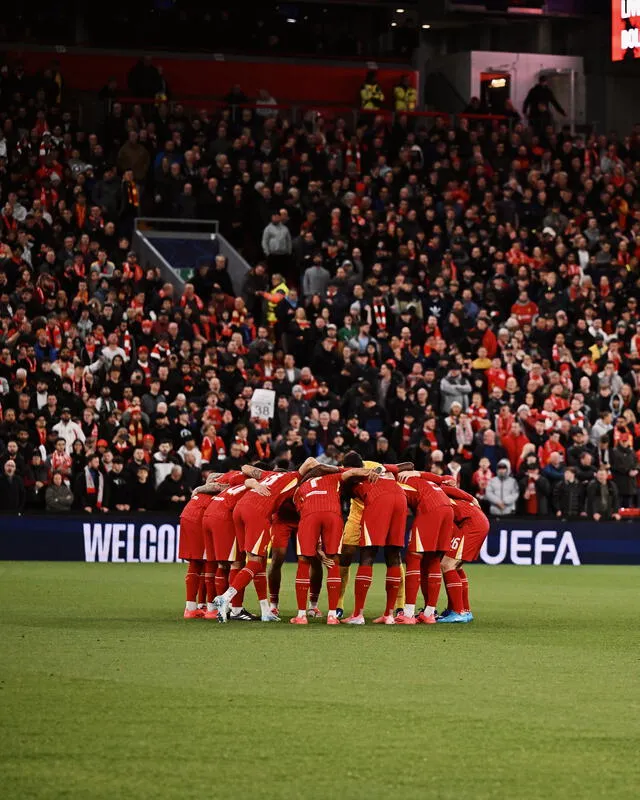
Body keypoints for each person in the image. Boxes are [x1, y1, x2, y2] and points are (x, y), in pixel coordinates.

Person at [214, 459, 318, 622]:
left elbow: (246, 467)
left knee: (252, 561)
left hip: (240, 509)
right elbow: (310, 461)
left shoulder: (268, 475)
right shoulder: (294, 477)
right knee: (255, 562)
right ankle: (225, 597)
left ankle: (264, 610)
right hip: (257, 512)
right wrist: (330, 470)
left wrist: (255, 484)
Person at [340, 453, 407, 625]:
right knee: (393, 555)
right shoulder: (375, 468)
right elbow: (394, 468)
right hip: (399, 498)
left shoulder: (349, 475)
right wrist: (379, 469)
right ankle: (389, 615)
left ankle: (357, 615)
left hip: (377, 502)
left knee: (367, 554)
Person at [202, 465, 266, 621]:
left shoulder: (233, 483)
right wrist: (258, 485)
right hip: (224, 518)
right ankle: (236, 610)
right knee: (236, 563)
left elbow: (213, 478)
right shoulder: (250, 483)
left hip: (209, 514)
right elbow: (251, 482)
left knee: (220, 564)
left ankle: (211, 608)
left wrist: (200, 488)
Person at [395, 470, 455, 625]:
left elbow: (398, 506)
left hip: (431, 508)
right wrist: (417, 472)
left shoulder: (397, 483)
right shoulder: (422, 479)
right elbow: (446, 479)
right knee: (434, 558)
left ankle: (408, 614)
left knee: (414, 556)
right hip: (448, 509)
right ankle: (429, 614)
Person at [289, 467, 348, 625]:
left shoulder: (299, 488)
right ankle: (332, 616)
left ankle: (301, 616)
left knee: (303, 561)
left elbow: (304, 513)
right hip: (333, 515)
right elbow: (350, 474)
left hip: (309, 515)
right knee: (333, 561)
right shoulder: (334, 478)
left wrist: (317, 547)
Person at [436, 483, 491, 623]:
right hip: (476, 522)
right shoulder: (455, 501)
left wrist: (471, 497)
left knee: (447, 565)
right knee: (456, 566)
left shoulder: (439, 495)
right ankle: (463, 610)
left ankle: (458, 612)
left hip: (472, 525)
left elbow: (445, 488)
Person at [178, 472, 224, 619]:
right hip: (199, 519)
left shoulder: (204, 491)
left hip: (186, 515)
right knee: (210, 561)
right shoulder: (223, 487)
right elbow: (218, 484)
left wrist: (200, 488)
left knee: (196, 562)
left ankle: (193, 607)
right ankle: (211, 609)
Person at [611, 435, 639, 508]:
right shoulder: (615, 451)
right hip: (620, 481)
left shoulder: (631, 451)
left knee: (628, 504)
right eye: (622, 441)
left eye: (625, 441)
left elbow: (636, 462)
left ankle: (629, 519)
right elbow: (616, 465)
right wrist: (628, 471)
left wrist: (636, 470)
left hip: (630, 482)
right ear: (619, 441)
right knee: (619, 503)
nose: (624, 443)